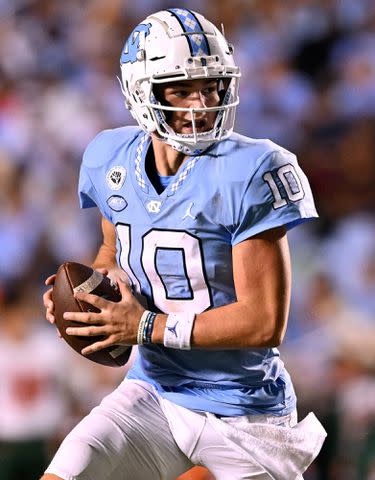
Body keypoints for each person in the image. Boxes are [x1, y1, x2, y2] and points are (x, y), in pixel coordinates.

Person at [41, 8, 326, 480]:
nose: (202, 103)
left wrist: (145, 326)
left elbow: (263, 322)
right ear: (141, 92)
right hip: (154, 391)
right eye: (181, 89)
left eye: (212, 86)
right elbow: (114, 254)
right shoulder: (108, 157)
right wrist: (94, 299)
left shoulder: (253, 170)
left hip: (243, 413)